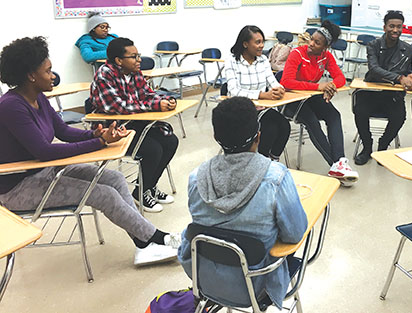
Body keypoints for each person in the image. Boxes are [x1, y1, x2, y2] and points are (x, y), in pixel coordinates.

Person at [0, 36, 179, 266]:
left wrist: (97, 134)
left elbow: (63, 131)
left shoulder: (39, 98)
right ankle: (155, 239)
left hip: (43, 172)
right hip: (17, 188)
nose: (53, 75)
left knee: (114, 177)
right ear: (31, 76)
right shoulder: (12, 106)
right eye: (48, 71)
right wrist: (98, 144)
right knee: (102, 194)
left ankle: (143, 243)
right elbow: (44, 151)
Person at [178, 97, 307, 310]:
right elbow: (294, 234)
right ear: (258, 136)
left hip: (205, 280)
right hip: (258, 286)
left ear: (215, 136)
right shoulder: (276, 177)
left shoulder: (196, 177)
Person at [90, 37, 178, 213]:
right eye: (134, 57)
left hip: (136, 124)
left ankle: (149, 187)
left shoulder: (134, 72)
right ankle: (140, 193)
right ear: (119, 60)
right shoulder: (105, 74)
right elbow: (117, 107)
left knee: (170, 141)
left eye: (139, 55)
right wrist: (153, 105)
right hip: (113, 130)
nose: (139, 60)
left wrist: (165, 100)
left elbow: (147, 94)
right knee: (152, 149)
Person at [280, 20, 358, 183]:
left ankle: (340, 162)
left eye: (317, 42)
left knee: (334, 115)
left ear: (325, 47)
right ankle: (336, 165)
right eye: (311, 39)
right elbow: (286, 82)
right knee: (311, 121)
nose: (311, 44)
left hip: (311, 96)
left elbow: (341, 79)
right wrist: (319, 87)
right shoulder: (297, 53)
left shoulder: (326, 56)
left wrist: (330, 87)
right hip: (292, 99)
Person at [353, 10, 412, 165]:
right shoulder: (373, 45)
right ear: (384, 27)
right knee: (360, 111)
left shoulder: (408, 49)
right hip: (370, 92)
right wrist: (400, 77)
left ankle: (383, 146)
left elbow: (407, 71)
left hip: (392, 96)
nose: (395, 30)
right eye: (392, 26)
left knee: (399, 117)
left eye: (399, 27)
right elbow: (374, 69)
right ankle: (367, 146)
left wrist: (410, 75)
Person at [224, 25, 290, 161]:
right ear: (245, 44)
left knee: (284, 126)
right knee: (270, 128)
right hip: (241, 110)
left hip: (261, 107)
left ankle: (273, 159)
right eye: (257, 42)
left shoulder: (263, 60)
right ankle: (261, 162)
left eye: (262, 42)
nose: (261, 46)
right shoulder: (232, 62)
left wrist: (279, 89)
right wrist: (262, 95)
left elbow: (272, 81)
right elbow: (234, 91)